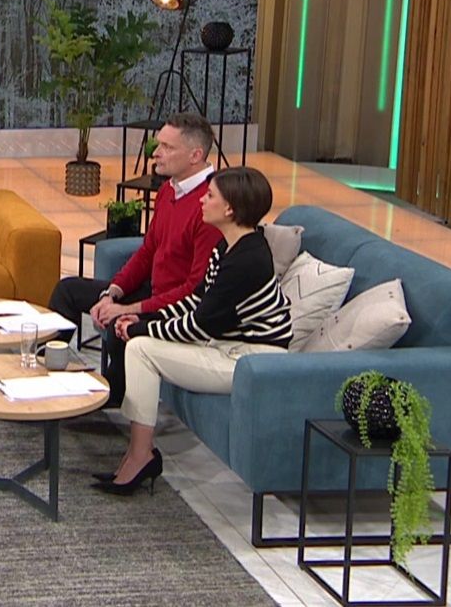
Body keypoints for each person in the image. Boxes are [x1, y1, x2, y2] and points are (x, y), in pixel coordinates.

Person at [91, 167, 292, 495]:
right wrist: (140, 320)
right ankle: (138, 453)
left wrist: (142, 328)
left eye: (210, 196)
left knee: (141, 348)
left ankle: (140, 455)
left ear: (230, 209)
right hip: (225, 346)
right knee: (140, 345)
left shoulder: (248, 260)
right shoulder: (227, 247)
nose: (202, 201)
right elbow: (196, 301)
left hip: (252, 362)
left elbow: (199, 324)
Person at [47, 112, 225, 405]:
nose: (156, 153)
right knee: (68, 290)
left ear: (195, 155)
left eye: (167, 147)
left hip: (178, 308)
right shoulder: (168, 189)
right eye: (159, 144)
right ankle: (44, 371)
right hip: (153, 292)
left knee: (121, 323)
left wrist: (127, 308)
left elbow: (195, 290)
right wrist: (112, 293)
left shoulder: (211, 205)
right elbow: (147, 251)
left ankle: (109, 401)